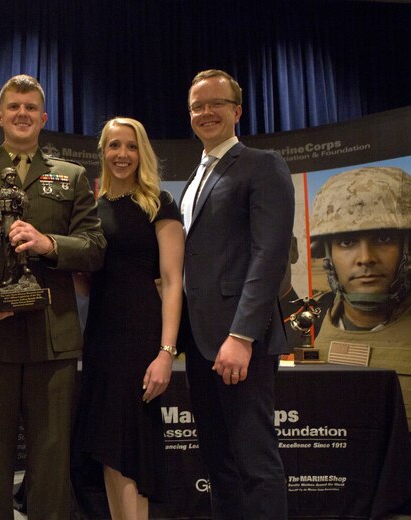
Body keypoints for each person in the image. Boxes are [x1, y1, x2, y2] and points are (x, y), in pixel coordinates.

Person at [0, 74, 106, 520]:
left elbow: (93, 247)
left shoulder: (71, 176)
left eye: (31, 107)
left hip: (54, 339)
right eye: (14, 107)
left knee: (52, 462)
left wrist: (50, 244)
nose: (22, 114)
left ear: (43, 117)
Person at [179, 69, 294, 519]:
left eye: (215, 103)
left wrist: (242, 336)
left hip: (238, 342)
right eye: (197, 106)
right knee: (218, 462)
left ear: (237, 111)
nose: (206, 112)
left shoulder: (262, 165)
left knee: (256, 463)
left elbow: (269, 258)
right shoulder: (195, 178)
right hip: (199, 341)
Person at [72, 117, 183, 519]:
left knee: (132, 448)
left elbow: (172, 282)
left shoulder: (158, 203)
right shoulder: (92, 209)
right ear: (102, 151)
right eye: (114, 146)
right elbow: (91, 283)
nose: (122, 155)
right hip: (100, 336)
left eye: (131, 147)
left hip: (140, 337)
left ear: (143, 153)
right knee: (108, 447)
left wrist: (166, 352)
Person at [310, 166, 411, 430]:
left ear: (407, 248)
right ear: (328, 254)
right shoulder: (305, 324)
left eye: (384, 238)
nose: (366, 257)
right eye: (347, 242)